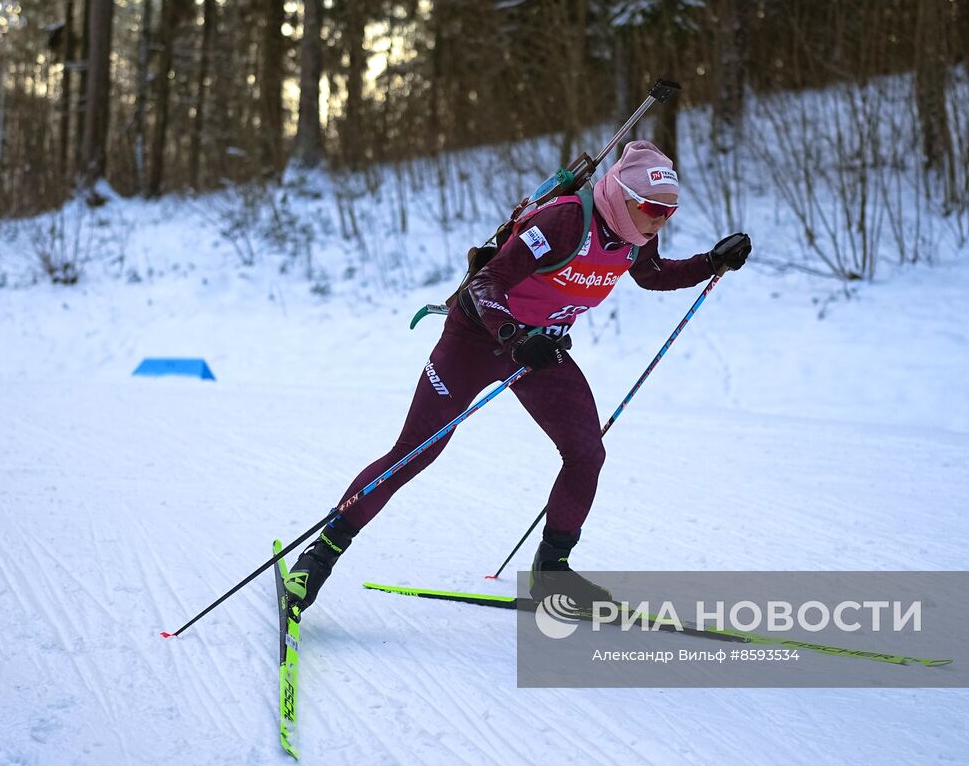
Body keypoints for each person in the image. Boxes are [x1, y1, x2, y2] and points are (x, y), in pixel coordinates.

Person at [284, 140, 752, 612]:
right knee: (415, 452)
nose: (660, 220)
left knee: (586, 452)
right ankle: (317, 558)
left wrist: (711, 263)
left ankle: (552, 575)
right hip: (475, 338)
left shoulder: (636, 236)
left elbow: (652, 276)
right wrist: (513, 335)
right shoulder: (567, 221)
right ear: (623, 196)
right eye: (653, 207)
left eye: (669, 212)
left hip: (536, 350)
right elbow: (489, 280)